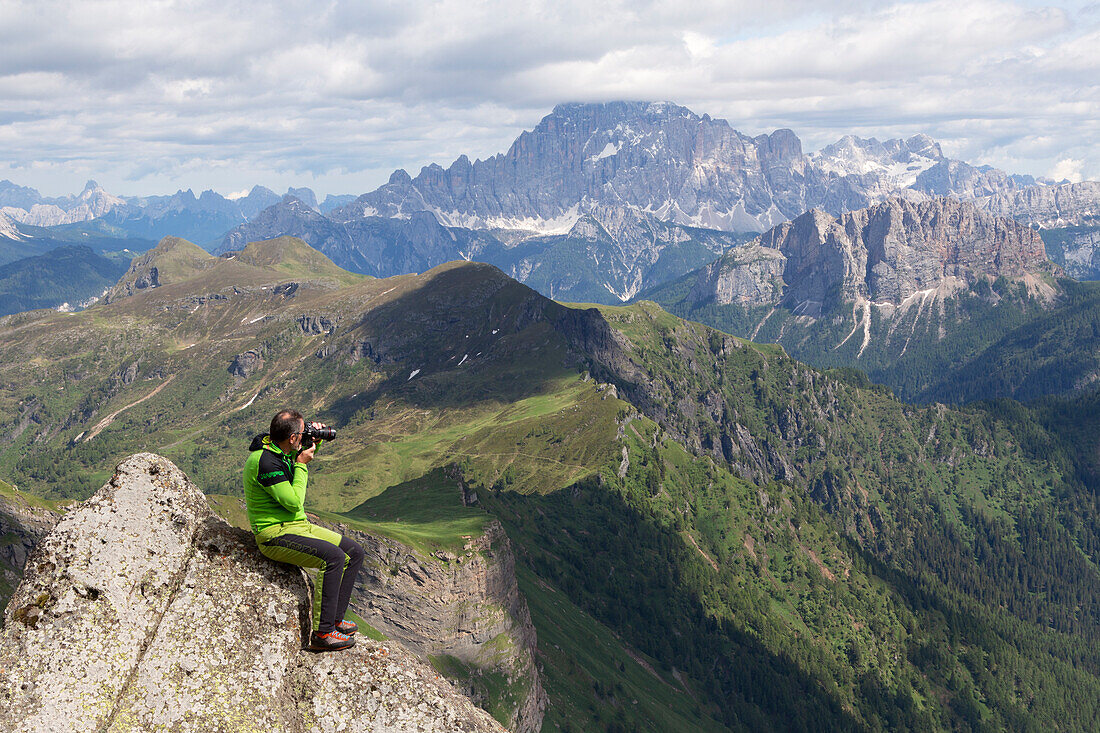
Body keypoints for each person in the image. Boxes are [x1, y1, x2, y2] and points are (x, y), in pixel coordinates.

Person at [243, 409, 365, 651]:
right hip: (274, 534)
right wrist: (302, 466)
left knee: (354, 552)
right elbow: (294, 502)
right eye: (302, 433)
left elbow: (294, 457)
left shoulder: (279, 448)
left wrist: (312, 445)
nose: (304, 435)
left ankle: (336, 619)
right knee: (333, 557)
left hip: (298, 526)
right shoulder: (265, 462)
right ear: (291, 438)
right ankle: (323, 633)